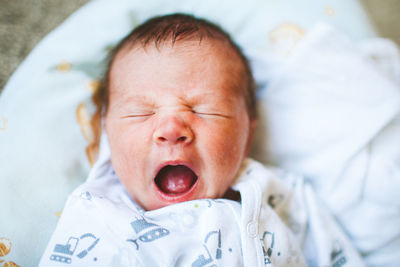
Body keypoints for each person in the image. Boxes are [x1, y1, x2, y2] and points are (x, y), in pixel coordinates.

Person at [39, 14, 365, 266]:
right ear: (107, 130)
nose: (170, 128)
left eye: (204, 110)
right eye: (141, 113)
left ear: (247, 132)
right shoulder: (96, 215)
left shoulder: (285, 196)